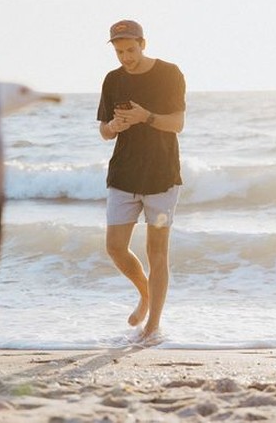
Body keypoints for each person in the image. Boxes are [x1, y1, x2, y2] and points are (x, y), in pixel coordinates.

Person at [96, 19, 186, 342]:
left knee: (157, 253)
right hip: (123, 176)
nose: (126, 57)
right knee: (115, 247)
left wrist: (144, 117)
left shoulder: (169, 74)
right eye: (119, 52)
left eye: (131, 50)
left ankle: (153, 327)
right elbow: (103, 130)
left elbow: (177, 123)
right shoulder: (112, 80)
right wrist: (115, 127)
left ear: (143, 44)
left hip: (162, 177)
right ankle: (146, 294)